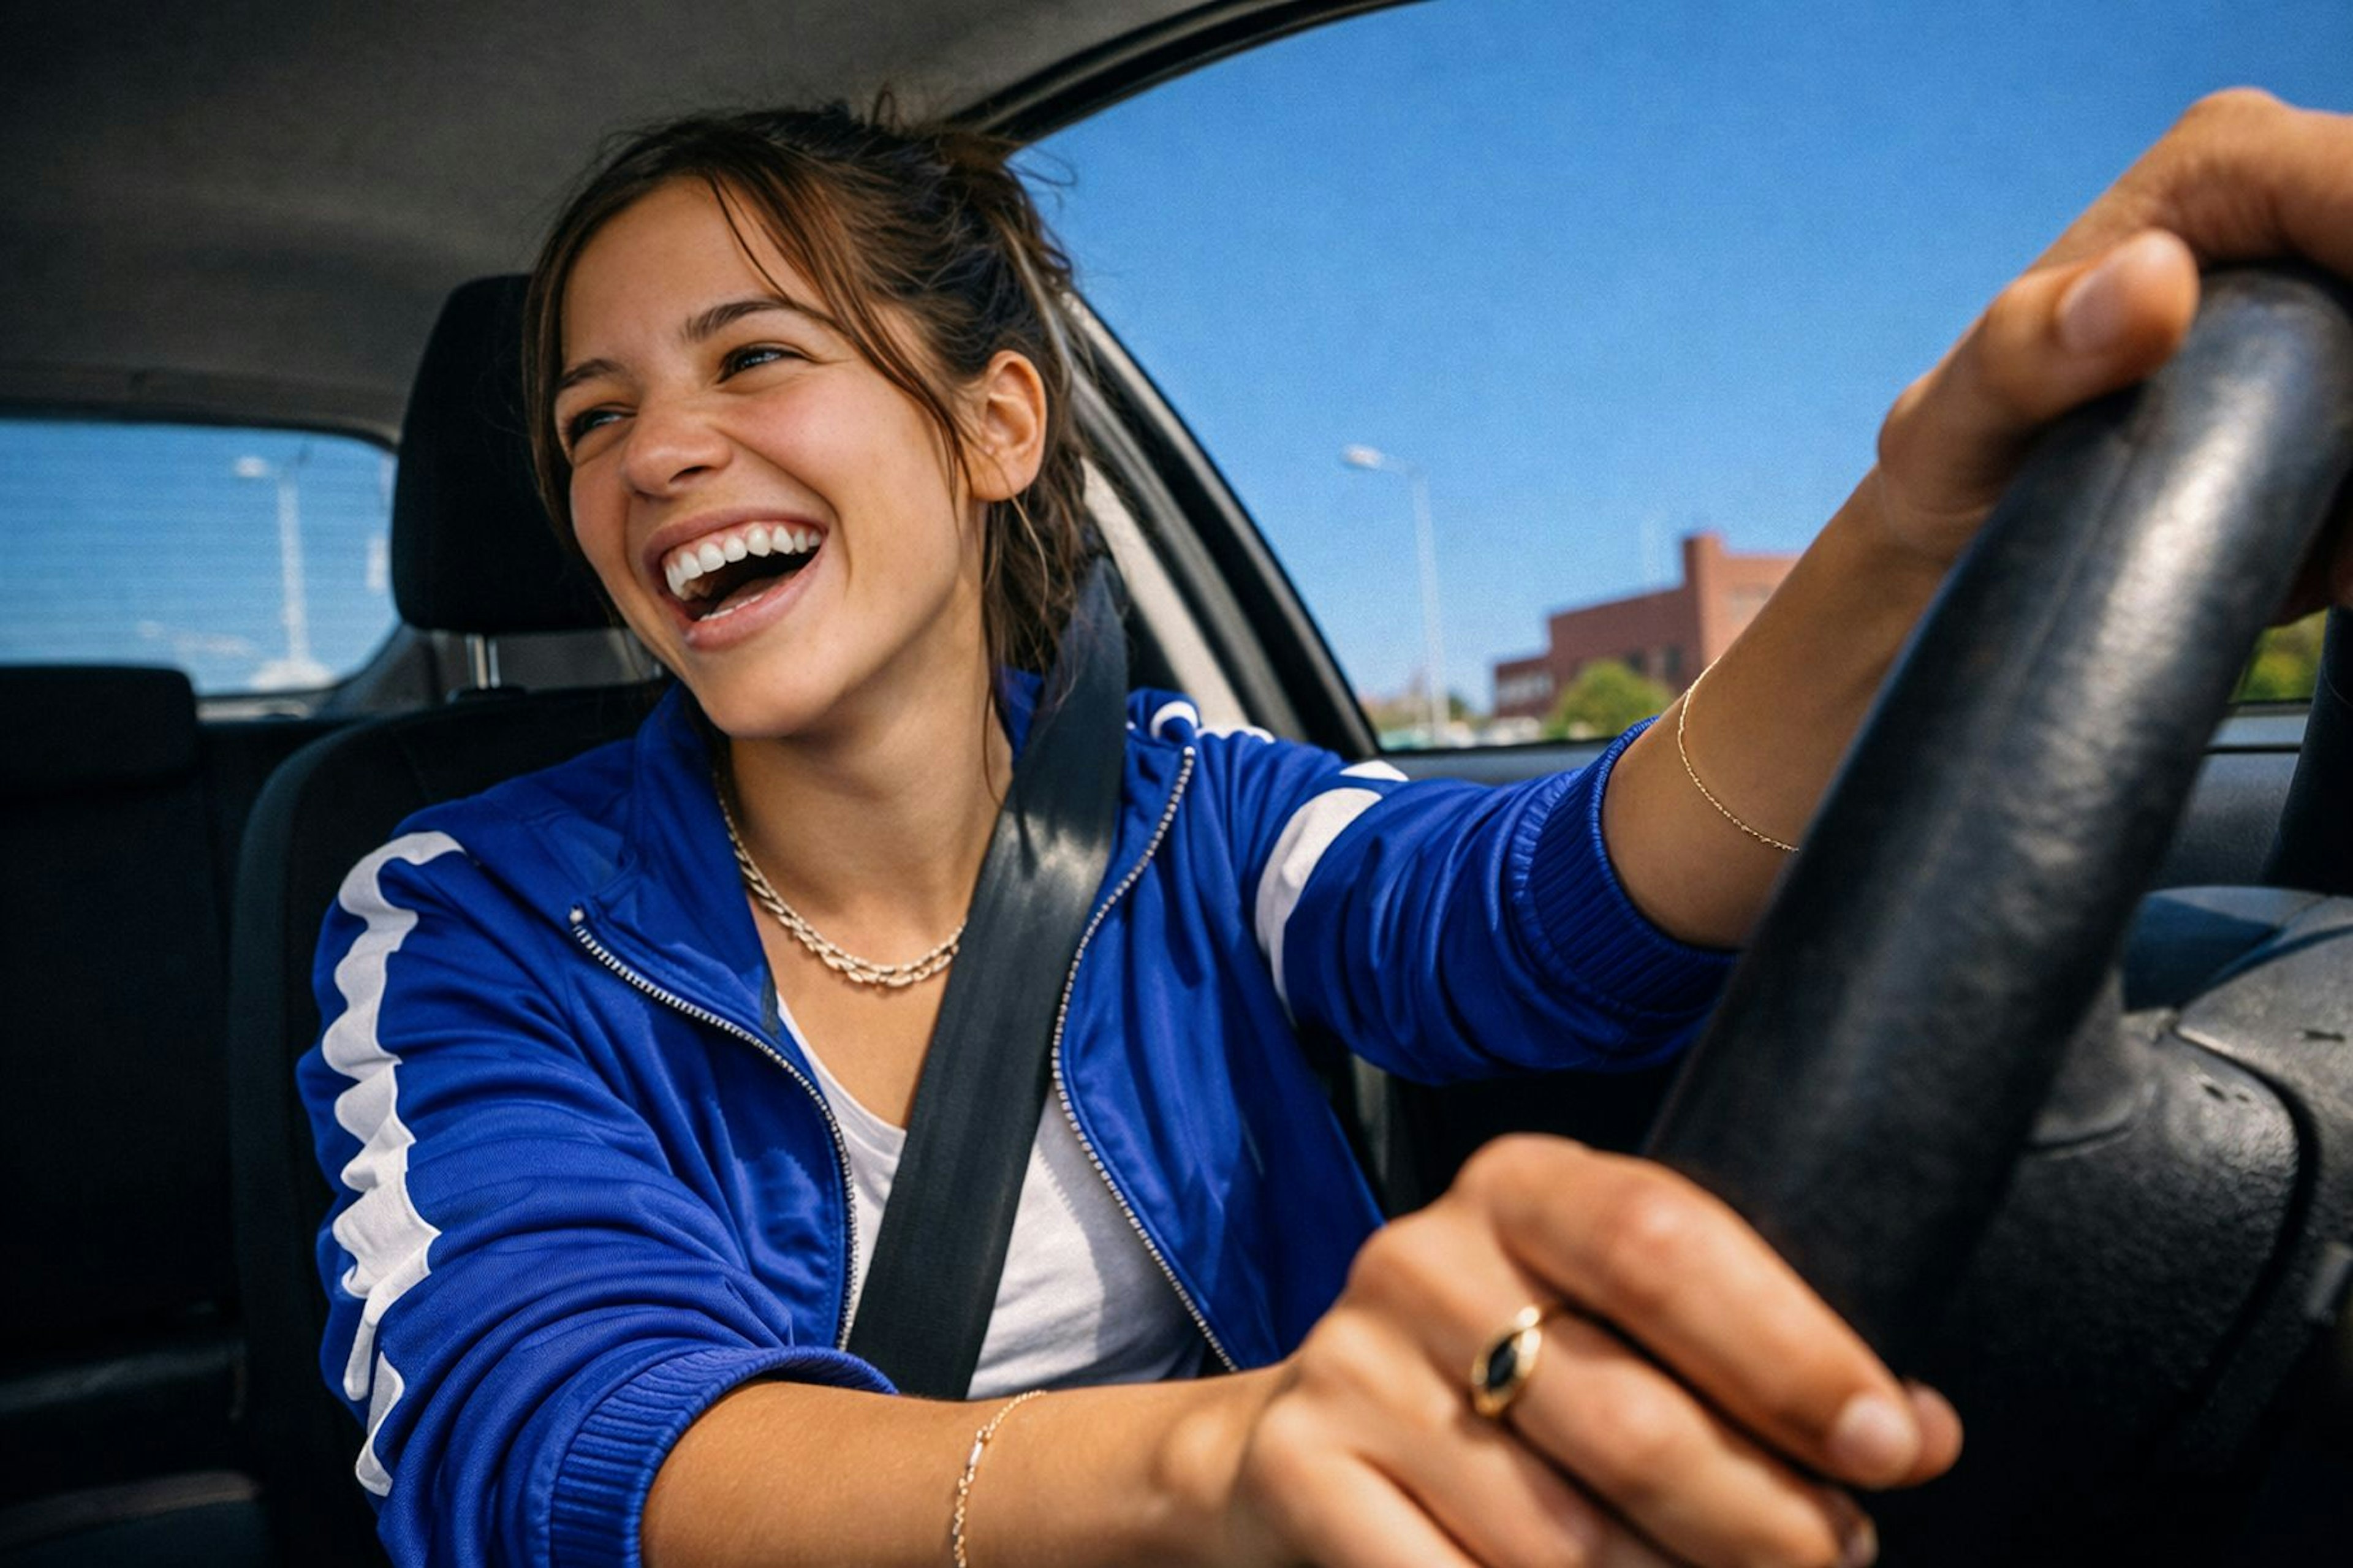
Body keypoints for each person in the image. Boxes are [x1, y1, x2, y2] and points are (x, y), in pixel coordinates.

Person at [299, 89, 2353, 1568]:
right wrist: (1227, 1468)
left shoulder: (1194, 807)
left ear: (996, 424)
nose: (657, 452)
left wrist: (1925, 515)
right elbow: (548, 1439)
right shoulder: (469, 917)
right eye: (591, 422)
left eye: (753, 355)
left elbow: (1560, 914)